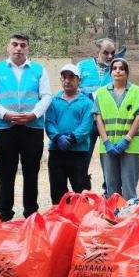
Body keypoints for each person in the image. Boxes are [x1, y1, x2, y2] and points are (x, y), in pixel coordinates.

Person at [0, 32, 52, 221]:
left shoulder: (39, 69)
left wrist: (34, 114)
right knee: (6, 172)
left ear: (28, 48)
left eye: (23, 45)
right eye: (15, 44)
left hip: (33, 127)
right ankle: (5, 215)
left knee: (31, 172)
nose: (19, 48)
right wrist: (5, 114)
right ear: (8, 47)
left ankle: (31, 214)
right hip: (5, 128)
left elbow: (46, 96)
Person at [98, 58, 139, 204]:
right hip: (108, 147)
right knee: (111, 189)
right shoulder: (101, 93)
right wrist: (107, 142)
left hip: (130, 146)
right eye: (114, 68)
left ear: (127, 72)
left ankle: (129, 222)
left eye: (121, 68)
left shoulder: (138, 92)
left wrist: (126, 139)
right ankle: (113, 222)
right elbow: (98, 118)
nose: (118, 71)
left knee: (129, 189)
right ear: (110, 72)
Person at [46, 63, 95, 204]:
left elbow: (86, 125)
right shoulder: (53, 101)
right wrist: (57, 137)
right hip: (56, 150)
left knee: (80, 190)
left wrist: (72, 138)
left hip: (78, 152)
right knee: (57, 190)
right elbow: (49, 122)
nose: (67, 80)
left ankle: (81, 220)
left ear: (78, 80)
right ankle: (61, 220)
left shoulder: (86, 102)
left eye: (71, 77)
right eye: (64, 77)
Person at [78, 37, 117, 186]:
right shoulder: (83, 66)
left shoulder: (115, 68)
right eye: (106, 53)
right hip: (87, 121)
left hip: (108, 122)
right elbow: (75, 89)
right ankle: (82, 191)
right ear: (97, 51)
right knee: (83, 159)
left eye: (112, 53)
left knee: (109, 159)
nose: (110, 56)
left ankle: (109, 191)